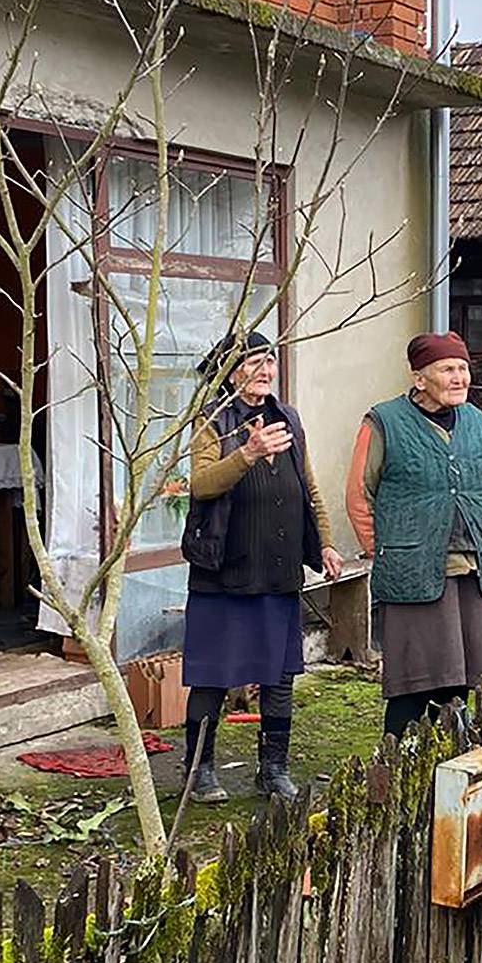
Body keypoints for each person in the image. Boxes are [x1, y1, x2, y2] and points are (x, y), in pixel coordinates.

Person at [181, 332, 342, 804]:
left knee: (279, 675)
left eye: (270, 361)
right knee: (211, 675)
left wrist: (327, 544)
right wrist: (247, 453)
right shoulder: (211, 422)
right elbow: (201, 484)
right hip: (223, 572)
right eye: (254, 363)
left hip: (278, 570)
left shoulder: (287, 418)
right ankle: (200, 771)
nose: (266, 370)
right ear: (231, 373)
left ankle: (273, 770)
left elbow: (308, 487)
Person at [345, 332, 482, 736]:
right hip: (413, 572)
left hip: (473, 568)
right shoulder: (383, 422)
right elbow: (358, 495)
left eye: (463, 369)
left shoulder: (475, 421)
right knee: (414, 681)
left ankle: (450, 758)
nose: (459, 378)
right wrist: (386, 552)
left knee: (464, 676)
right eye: (447, 369)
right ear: (420, 379)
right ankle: (400, 764)